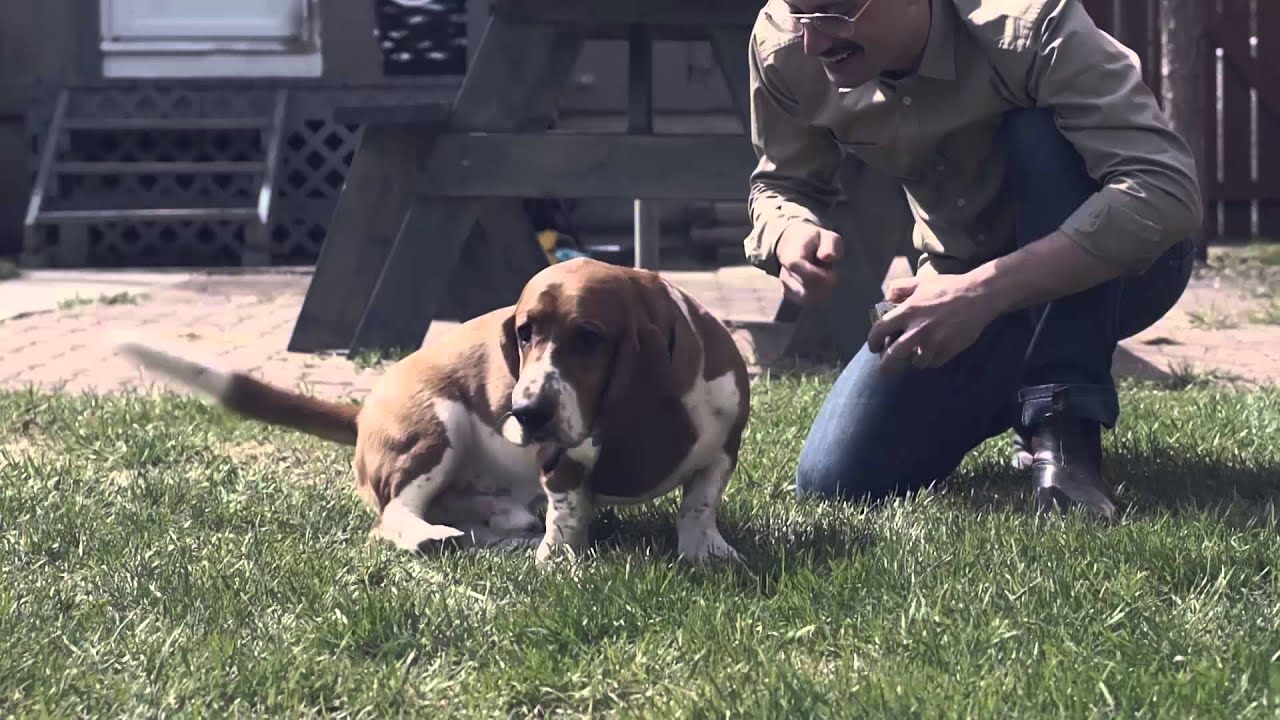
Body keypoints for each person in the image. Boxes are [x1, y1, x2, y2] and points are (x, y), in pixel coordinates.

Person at [743, 0, 1203, 517]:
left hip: (1122, 270)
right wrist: (789, 232)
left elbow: (1164, 191)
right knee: (837, 479)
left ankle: (1062, 423)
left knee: (1042, 132)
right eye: (801, 14)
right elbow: (780, 183)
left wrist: (985, 292)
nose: (814, 41)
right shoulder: (785, 42)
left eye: (835, 12)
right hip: (954, 281)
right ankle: (1011, 387)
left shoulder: (1027, 20)